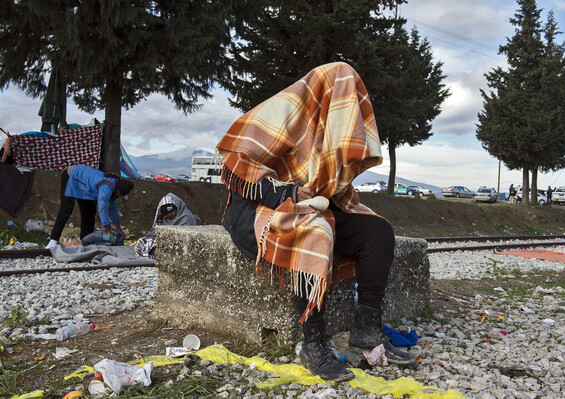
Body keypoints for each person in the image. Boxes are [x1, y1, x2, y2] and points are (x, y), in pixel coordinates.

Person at [217, 62, 417, 382]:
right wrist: (292, 192)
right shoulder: (277, 112)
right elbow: (237, 176)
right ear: (329, 94)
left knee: (377, 231)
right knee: (316, 232)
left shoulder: (326, 127)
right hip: (253, 210)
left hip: (308, 206)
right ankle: (313, 344)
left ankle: (366, 330)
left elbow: (327, 181)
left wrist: (325, 187)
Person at [46, 165, 134, 249]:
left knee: (89, 211)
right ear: (118, 190)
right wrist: (108, 231)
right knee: (67, 208)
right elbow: (103, 209)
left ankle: (85, 242)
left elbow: (113, 208)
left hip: (85, 184)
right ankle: (53, 241)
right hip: (72, 176)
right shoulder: (106, 187)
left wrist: (118, 228)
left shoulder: (115, 188)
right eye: (121, 195)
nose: (120, 197)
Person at [135, 193, 196, 258]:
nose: (173, 213)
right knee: (142, 242)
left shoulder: (186, 218)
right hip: (166, 242)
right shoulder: (164, 219)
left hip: (179, 245)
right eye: (170, 212)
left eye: (174, 210)